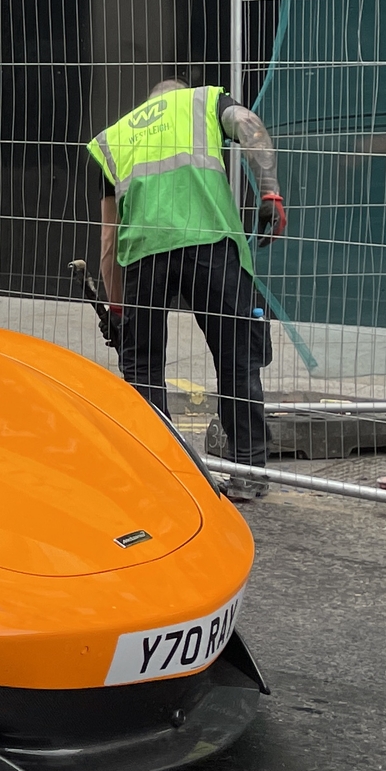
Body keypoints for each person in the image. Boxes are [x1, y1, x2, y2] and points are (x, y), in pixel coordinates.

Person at [88, 75, 287, 504]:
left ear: (148, 102)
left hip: (143, 254)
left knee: (142, 368)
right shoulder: (204, 102)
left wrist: (118, 311)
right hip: (210, 243)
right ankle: (248, 472)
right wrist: (269, 191)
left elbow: (108, 242)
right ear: (179, 92)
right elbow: (249, 125)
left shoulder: (114, 137)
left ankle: (154, 470)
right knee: (236, 358)